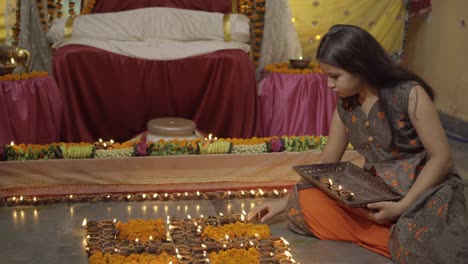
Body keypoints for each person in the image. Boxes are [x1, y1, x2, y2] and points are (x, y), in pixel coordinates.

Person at [248, 24, 468, 263]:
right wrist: (282, 203)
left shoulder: (409, 94)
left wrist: (402, 206)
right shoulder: (346, 105)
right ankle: (391, 238)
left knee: (419, 236)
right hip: (375, 193)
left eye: (335, 77)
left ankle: (397, 235)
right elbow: (326, 162)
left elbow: (442, 158)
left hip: (423, 192)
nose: (329, 85)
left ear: (360, 67)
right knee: (304, 203)